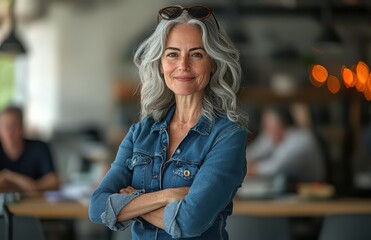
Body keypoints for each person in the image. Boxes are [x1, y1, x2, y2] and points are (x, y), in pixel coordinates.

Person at [89, 5, 248, 239]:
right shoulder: (140, 132)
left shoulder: (227, 136)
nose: (183, 65)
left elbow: (189, 222)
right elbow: (97, 207)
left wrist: (131, 203)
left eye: (196, 54)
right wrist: (169, 195)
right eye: (172, 54)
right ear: (160, 65)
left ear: (212, 63)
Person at [246, 105, 325, 183]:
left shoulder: (301, 138)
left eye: (267, 125)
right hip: (291, 186)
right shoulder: (273, 136)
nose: (264, 129)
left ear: (281, 124)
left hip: (313, 187)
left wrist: (251, 169)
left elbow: (276, 166)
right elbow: (253, 152)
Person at [0, 106, 60, 194]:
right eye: (4, 126)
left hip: (36, 204)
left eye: (13, 126)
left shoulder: (39, 148)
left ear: (22, 128)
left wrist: (32, 187)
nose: (9, 132)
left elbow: (54, 180)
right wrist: (11, 176)